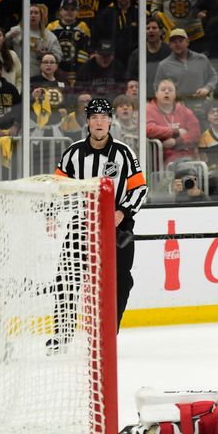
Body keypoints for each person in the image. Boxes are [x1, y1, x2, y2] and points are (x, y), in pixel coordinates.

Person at [51, 98, 148, 352]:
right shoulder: (73, 153)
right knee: (67, 278)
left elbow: (140, 188)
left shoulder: (124, 153)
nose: (99, 121)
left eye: (103, 117)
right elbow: (58, 187)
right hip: (82, 226)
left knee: (121, 282)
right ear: (88, 121)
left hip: (118, 230)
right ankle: (63, 333)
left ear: (110, 121)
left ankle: (108, 333)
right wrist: (55, 212)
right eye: (94, 117)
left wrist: (122, 211)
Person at [153, 28, 218, 118]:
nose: (177, 44)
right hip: (177, 110)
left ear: (187, 42)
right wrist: (170, 99)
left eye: (181, 41)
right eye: (174, 42)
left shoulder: (201, 59)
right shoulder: (164, 65)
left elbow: (213, 76)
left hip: (202, 108)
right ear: (169, 45)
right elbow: (157, 87)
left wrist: (207, 88)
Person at [46, 0, 91, 87]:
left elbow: (85, 50)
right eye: (66, 9)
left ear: (77, 11)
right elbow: (48, 50)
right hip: (56, 72)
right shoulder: (52, 27)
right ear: (60, 11)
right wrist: (56, 69)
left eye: (73, 9)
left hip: (77, 73)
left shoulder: (83, 27)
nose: (69, 12)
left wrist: (80, 71)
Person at [127, 17, 171, 101]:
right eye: (147, 28)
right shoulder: (136, 54)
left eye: (154, 28)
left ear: (161, 31)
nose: (151, 30)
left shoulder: (170, 51)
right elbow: (131, 79)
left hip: (166, 96)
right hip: (143, 98)